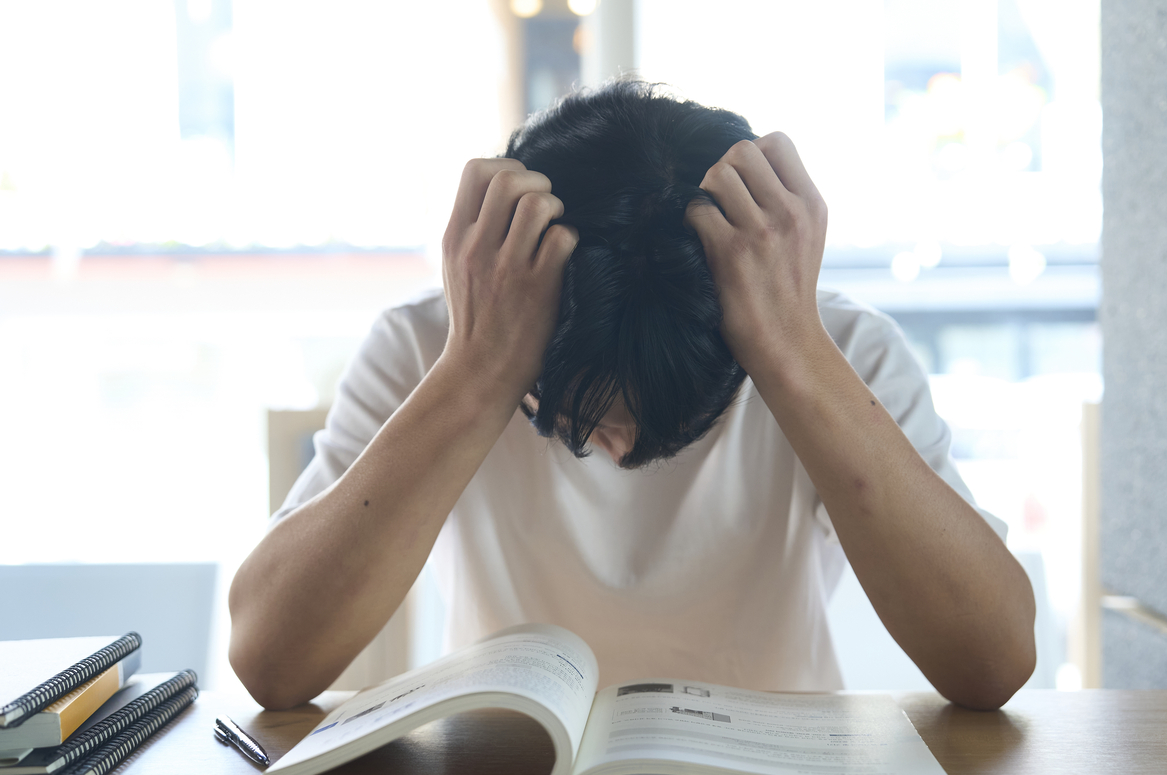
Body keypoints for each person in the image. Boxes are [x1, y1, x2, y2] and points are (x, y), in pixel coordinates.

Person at [228, 80, 1036, 712]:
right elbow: (270, 657)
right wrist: (476, 373)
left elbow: (993, 661)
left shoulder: (834, 351)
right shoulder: (433, 345)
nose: (620, 449)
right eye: (575, 414)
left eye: (669, 420)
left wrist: (790, 355)